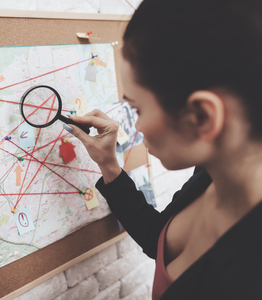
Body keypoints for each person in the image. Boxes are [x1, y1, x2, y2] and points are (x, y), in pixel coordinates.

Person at [63, 0, 262, 299]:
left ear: (202, 117)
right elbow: (158, 237)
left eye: (137, 108)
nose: (136, 126)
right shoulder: (215, 171)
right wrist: (110, 165)